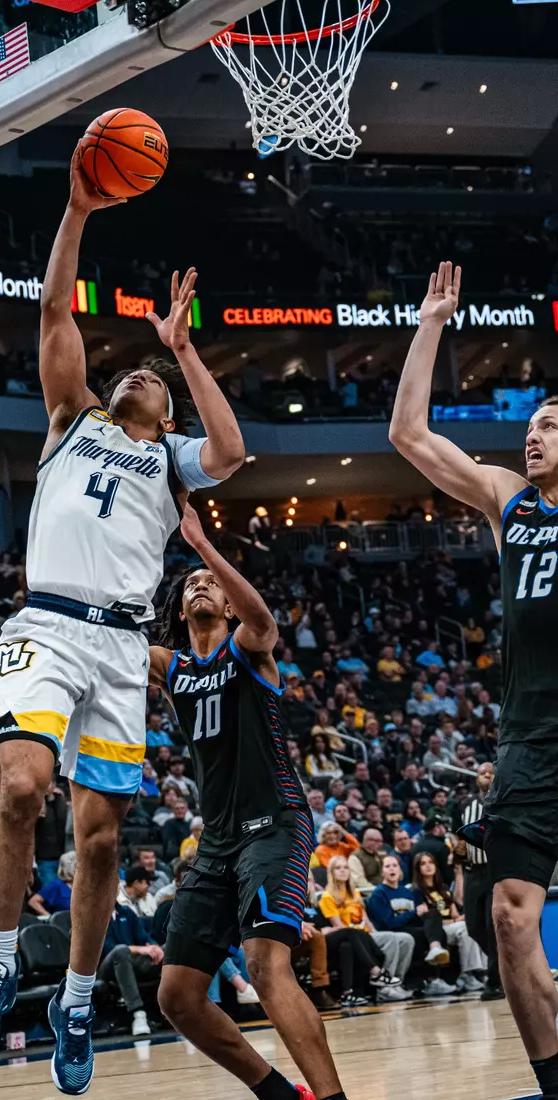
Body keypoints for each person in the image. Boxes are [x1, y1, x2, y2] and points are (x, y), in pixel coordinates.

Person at [0, 147, 244, 1097]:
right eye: (131, 371)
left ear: (165, 410)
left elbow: (234, 451)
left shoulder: (173, 464)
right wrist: (78, 211)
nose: (135, 377)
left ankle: (76, 1000)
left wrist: (187, 351)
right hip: (45, 623)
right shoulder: (70, 420)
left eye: (151, 379)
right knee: (21, 788)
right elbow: (52, 314)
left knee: (103, 841)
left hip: (122, 643)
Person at [391, 260, 558, 1097]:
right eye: (532, 424)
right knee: (507, 915)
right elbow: (410, 438)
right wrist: (430, 326)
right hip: (529, 740)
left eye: (554, 426)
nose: (535, 434)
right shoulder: (513, 503)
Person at [148, 505, 346, 1100]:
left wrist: (205, 549)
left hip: (276, 825)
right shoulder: (171, 666)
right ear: (180, 610)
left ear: (228, 603)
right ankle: (279, 1095)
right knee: (177, 995)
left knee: (265, 964)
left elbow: (262, 619)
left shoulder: (247, 646)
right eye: (191, 585)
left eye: (211, 583)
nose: (202, 584)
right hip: (218, 839)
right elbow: (104, 648)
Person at [318, 857, 413, 1003]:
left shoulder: (354, 893)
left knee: (406, 939)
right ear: (331, 872)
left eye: (345, 867)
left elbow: (365, 919)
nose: (343, 870)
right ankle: (384, 986)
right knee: (392, 938)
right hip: (355, 936)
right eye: (338, 868)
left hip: (367, 933)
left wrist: (374, 931)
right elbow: (340, 927)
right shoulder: (327, 897)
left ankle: (397, 982)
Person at [456, 761, 503, 1000]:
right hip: (473, 872)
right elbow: (459, 839)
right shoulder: (465, 804)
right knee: (473, 927)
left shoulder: (503, 801)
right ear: (476, 780)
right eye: (481, 774)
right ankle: (502, 966)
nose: (485, 776)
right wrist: (458, 874)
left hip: (495, 871)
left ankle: (495, 979)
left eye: (489, 773)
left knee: (492, 927)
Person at [412, 851, 488, 994]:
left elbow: (454, 912)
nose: (428, 866)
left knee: (476, 926)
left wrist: (458, 918)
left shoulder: (444, 889)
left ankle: (483, 971)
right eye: (423, 863)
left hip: (452, 926)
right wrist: (455, 920)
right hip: (436, 930)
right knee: (465, 929)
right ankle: (468, 974)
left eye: (430, 862)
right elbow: (428, 920)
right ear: (418, 869)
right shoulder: (417, 891)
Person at [99, 891, 164, 1038]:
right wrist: (140, 949)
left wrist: (155, 947)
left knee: (168, 949)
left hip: (131, 963)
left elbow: (143, 937)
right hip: (104, 968)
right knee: (120, 951)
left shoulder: (126, 912)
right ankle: (138, 1014)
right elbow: (106, 948)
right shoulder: (92, 915)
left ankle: (178, 1008)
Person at [29, 851, 76, 916]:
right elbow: (33, 902)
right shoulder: (57, 885)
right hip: (62, 924)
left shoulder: (83, 887)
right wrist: (50, 918)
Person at [348, 827, 386, 893]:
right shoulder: (355, 857)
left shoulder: (381, 854)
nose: (380, 844)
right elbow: (359, 882)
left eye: (381, 841)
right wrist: (377, 892)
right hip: (368, 895)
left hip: (384, 891)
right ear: (367, 840)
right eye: (377, 841)